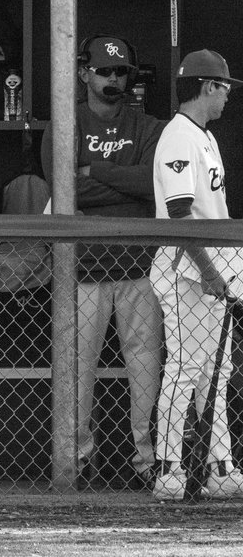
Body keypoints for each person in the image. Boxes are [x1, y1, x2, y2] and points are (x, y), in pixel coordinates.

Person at [40, 35, 163, 490]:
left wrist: (94, 173)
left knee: (146, 364)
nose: (114, 78)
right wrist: (123, 190)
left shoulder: (149, 126)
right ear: (83, 73)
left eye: (121, 71)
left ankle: (146, 458)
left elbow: (154, 185)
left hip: (139, 265)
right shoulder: (65, 123)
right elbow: (63, 188)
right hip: (83, 268)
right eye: (104, 70)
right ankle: (76, 459)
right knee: (77, 367)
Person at [150, 49, 243, 501]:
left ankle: (220, 467)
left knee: (216, 371)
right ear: (207, 86)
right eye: (224, 87)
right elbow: (179, 214)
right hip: (186, 270)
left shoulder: (204, 136)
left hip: (211, 270)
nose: (228, 96)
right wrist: (208, 272)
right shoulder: (178, 136)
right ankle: (169, 468)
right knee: (185, 367)